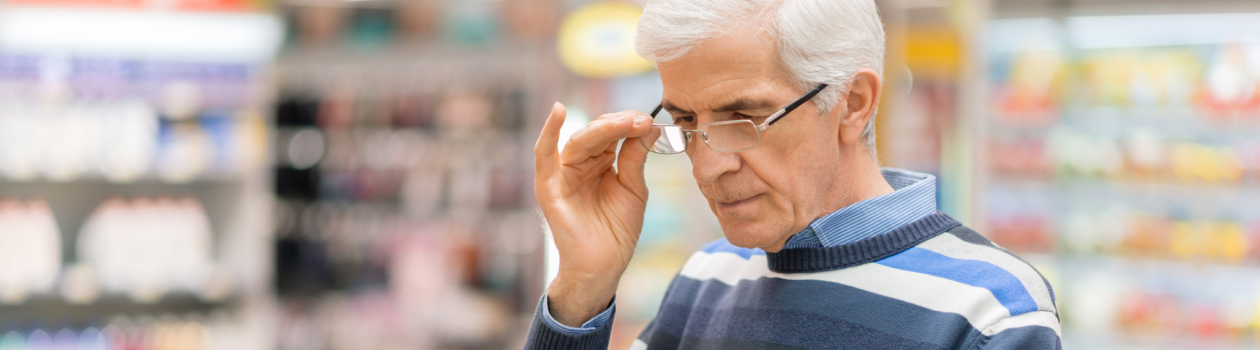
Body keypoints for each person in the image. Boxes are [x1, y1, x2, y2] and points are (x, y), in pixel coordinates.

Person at [525, 0, 1061, 349]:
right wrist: (581, 289)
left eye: (745, 118)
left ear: (852, 103)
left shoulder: (988, 310)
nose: (709, 166)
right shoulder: (708, 277)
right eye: (686, 121)